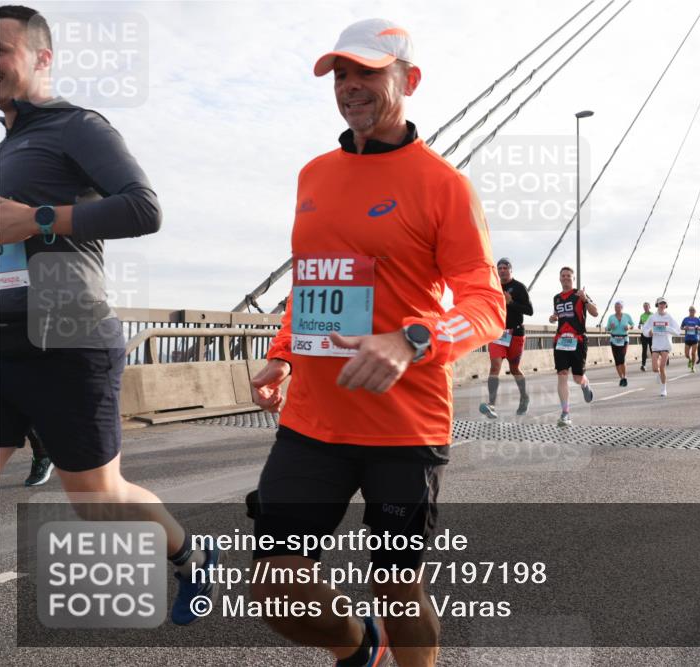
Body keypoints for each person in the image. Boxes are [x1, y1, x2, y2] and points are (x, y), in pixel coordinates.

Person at [247, 19, 504, 666]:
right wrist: (282, 351)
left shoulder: (444, 185)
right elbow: (315, 283)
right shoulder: (313, 174)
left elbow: (485, 302)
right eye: (340, 75)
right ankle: (358, 646)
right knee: (275, 586)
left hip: (404, 423)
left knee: (396, 582)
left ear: (408, 79)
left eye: (367, 72)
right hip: (314, 418)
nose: (350, 87)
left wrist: (411, 337)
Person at [0, 4, 217, 626]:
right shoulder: (8, 147)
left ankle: (189, 555)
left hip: (68, 343)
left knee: (98, 501)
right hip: (3, 341)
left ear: (42, 58)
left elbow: (143, 209)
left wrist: (39, 218)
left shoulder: (76, 126)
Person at [479, 257, 533, 419]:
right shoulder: (493, 287)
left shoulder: (519, 287)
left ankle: (524, 397)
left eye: (505, 267)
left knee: (514, 369)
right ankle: (491, 404)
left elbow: (529, 311)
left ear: (511, 270)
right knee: (495, 366)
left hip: (515, 333)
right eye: (500, 268)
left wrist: (511, 303)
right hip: (497, 333)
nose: (502, 270)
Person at [548, 266, 596, 425]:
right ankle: (565, 413)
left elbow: (595, 312)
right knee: (562, 375)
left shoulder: (579, 295)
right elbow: (559, 316)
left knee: (577, 378)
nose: (566, 277)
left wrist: (585, 299)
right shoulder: (556, 298)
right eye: (563, 275)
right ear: (560, 278)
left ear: (573, 279)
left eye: (569, 275)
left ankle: (585, 384)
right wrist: (553, 317)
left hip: (578, 341)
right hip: (561, 340)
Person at [641, 297, 681, 396]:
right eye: (660, 304)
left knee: (662, 367)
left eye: (664, 304)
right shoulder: (652, 317)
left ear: (666, 305)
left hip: (666, 344)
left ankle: (663, 389)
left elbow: (678, 331)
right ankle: (658, 374)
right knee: (655, 368)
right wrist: (648, 332)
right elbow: (645, 329)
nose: (662, 305)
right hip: (656, 345)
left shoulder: (669, 317)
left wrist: (667, 329)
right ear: (657, 305)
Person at [604, 300, 634, 386]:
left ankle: (625, 376)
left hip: (624, 339)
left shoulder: (627, 316)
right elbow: (607, 328)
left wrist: (628, 326)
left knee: (622, 358)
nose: (617, 309)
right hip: (614, 340)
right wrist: (610, 327)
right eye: (615, 307)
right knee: (617, 360)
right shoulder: (611, 317)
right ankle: (621, 378)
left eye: (619, 307)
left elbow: (632, 325)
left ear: (622, 308)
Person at [679, 306, 700, 373]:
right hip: (687, 338)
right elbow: (681, 327)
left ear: (695, 312)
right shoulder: (685, 319)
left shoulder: (697, 320)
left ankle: (693, 367)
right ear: (689, 311)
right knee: (687, 354)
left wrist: (698, 327)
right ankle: (690, 360)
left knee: (693, 353)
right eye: (690, 310)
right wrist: (685, 328)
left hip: (695, 338)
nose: (692, 311)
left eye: (693, 310)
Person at [638, 301, 652, 371]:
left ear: (649, 307)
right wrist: (639, 325)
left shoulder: (653, 315)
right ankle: (643, 365)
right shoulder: (642, 315)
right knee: (644, 350)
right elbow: (640, 323)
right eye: (644, 307)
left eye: (647, 306)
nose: (645, 308)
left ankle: (654, 363)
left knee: (653, 349)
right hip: (644, 334)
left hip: (651, 334)